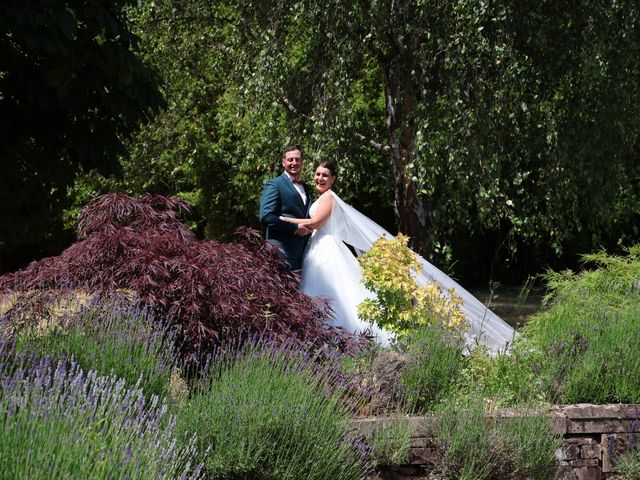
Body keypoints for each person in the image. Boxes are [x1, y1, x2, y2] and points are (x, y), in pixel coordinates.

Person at [279, 160, 517, 353]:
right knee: (323, 291)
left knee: (333, 291)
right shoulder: (317, 198)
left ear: (333, 179)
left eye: (325, 175)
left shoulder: (329, 197)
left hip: (327, 248)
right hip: (316, 248)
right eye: (318, 174)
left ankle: (345, 339)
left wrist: (284, 220)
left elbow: (315, 222)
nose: (320, 178)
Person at [259, 145, 313, 271]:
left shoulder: (307, 188)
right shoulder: (274, 184)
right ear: (283, 163)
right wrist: (294, 228)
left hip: (304, 255)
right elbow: (266, 216)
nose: (294, 163)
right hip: (282, 254)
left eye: (297, 159)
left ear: (302, 162)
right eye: (290, 160)